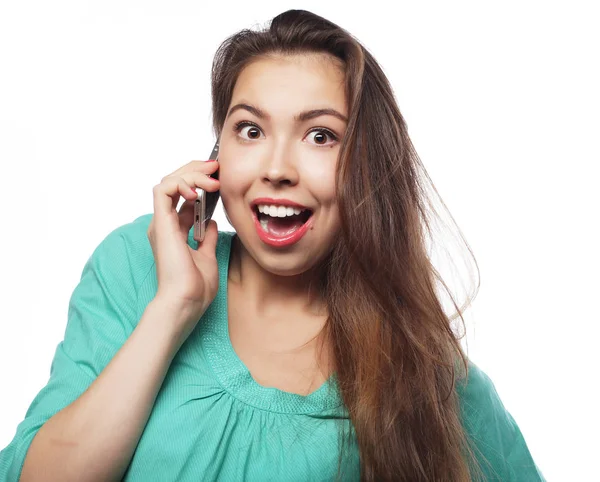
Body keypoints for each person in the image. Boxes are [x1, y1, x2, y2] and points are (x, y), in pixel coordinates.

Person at [0, 9, 546, 482]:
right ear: (217, 155)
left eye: (320, 136)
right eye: (250, 131)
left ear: (366, 166)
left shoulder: (418, 362)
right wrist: (172, 310)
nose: (277, 170)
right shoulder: (136, 265)